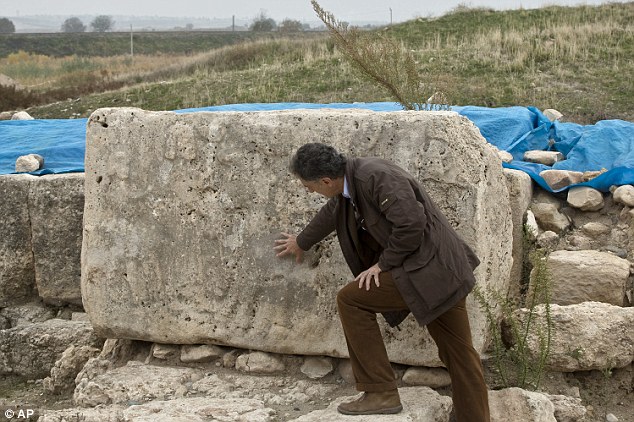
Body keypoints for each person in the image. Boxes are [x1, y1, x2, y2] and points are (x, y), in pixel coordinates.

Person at [274, 142, 490, 421]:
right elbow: (334, 212)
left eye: (310, 187)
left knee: (351, 300)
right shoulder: (351, 181)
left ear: (326, 180)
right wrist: (301, 241)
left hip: (429, 270)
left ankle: (380, 392)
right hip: (437, 271)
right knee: (459, 352)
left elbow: (412, 224)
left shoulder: (374, 177)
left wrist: (382, 265)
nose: (310, 192)